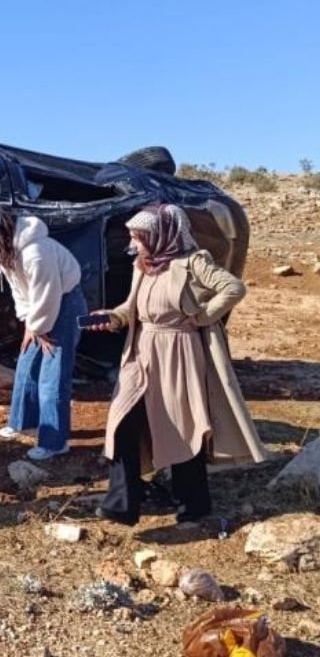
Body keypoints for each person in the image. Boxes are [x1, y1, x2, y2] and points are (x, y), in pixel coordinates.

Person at [86, 204, 267, 526]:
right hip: (141, 352)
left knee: (182, 425)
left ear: (161, 235)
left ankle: (193, 505)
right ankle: (122, 503)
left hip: (179, 352)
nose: (133, 242)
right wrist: (112, 318)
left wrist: (202, 317)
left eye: (138, 236)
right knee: (121, 421)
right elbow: (131, 308)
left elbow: (233, 287)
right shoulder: (143, 265)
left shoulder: (193, 262)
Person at [0, 207, 87, 460]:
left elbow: (48, 294)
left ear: (2, 231)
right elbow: (21, 292)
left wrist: (39, 328)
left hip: (64, 305)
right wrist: (29, 324)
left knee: (53, 374)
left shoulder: (35, 252)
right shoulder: (8, 253)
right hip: (42, 309)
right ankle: (23, 423)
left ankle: (55, 442)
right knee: (27, 362)